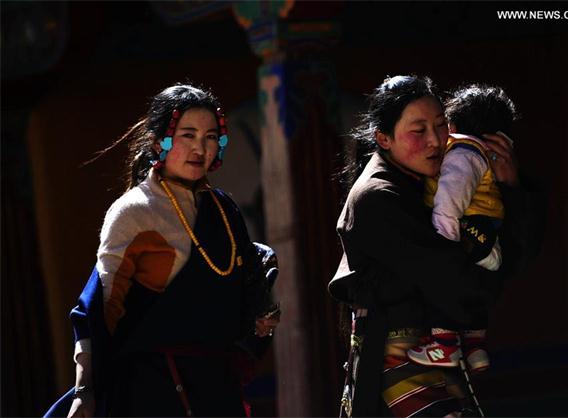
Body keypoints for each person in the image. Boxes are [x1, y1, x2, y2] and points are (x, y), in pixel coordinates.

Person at [51, 84, 280, 417]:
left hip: (217, 387)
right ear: (160, 141)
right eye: (188, 135)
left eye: (211, 136)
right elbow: (99, 308)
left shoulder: (224, 208)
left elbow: (244, 289)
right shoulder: (134, 212)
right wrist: (85, 390)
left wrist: (261, 314)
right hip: (154, 389)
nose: (200, 147)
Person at [329, 75, 539, 417]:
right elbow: (456, 282)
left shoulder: (437, 184)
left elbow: (508, 261)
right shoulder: (378, 199)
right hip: (399, 361)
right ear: (383, 138)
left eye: (441, 125)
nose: (436, 141)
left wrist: (510, 187)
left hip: (436, 358)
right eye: (419, 130)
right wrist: (488, 269)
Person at [407, 84, 519, 372]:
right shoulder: (487, 157)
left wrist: (441, 241)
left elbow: (450, 199)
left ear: (454, 125)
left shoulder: (463, 153)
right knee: (474, 290)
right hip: (484, 232)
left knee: (443, 284)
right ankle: (474, 347)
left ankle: (444, 347)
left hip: (465, 230)